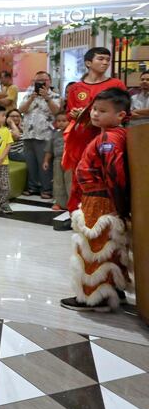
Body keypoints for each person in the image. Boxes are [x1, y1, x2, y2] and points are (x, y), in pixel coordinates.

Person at [60, 88, 131, 312]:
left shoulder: (110, 138)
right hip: (102, 200)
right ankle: (113, 291)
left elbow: (114, 173)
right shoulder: (113, 135)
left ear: (120, 115)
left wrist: (121, 207)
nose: (95, 114)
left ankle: (93, 297)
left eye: (102, 111)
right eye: (94, 109)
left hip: (100, 201)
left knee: (95, 249)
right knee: (111, 248)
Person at [63, 48, 127, 214]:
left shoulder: (116, 85)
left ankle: (105, 214)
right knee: (79, 177)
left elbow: (124, 114)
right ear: (88, 63)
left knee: (105, 177)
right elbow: (69, 114)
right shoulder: (76, 88)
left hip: (106, 140)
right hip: (81, 139)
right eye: (101, 59)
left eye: (107, 59)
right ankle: (75, 214)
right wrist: (75, 114)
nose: (105, 62)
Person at [19, 71, 61, 198]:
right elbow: (21, 110)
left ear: (49, 81)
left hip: (45, 135)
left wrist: (46, 98)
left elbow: (57, 112)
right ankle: (32, 187)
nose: (41, 82)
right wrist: (31, 98)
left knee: (45, 163)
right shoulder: (28, 95)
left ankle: (46, 189)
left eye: (44, 80)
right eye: (38, 80)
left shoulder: (55, 96)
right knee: (30, 162)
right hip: (28, 134)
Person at [44, 112, 71, 210]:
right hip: (57, 160)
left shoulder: (73, 134)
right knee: (58, 181)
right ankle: (59, 203)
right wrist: (46, 161)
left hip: (70, 160)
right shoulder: (54, 135)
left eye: (64, 121)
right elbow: (49, 150)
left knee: (70, 181)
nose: (61, 123)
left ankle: (72, 203)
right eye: (59, 121)